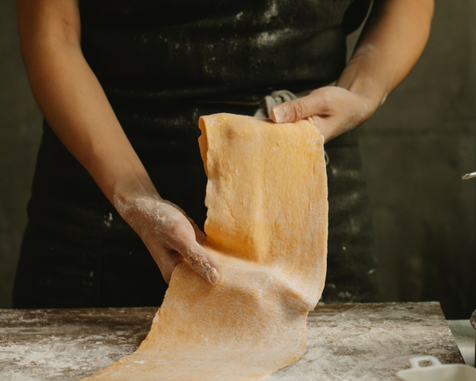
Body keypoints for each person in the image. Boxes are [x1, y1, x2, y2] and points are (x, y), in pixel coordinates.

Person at [13, 0, 434, 309]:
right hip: (106, 186)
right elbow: (53, 37)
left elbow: (408, 8)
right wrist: (134, 196)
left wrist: (360, 92)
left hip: (304, 176)